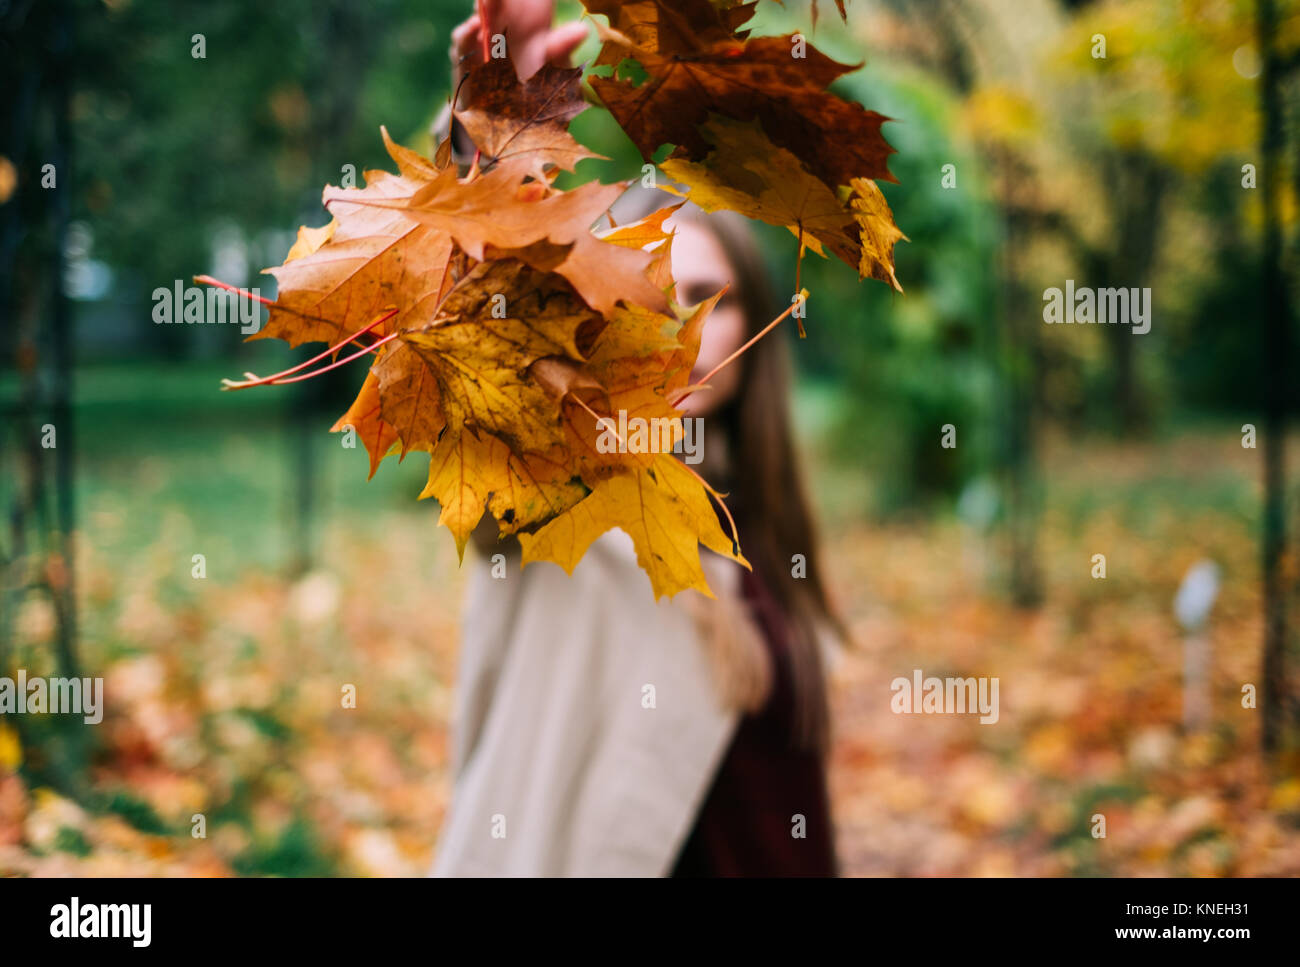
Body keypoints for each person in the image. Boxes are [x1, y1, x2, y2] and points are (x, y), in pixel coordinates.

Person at [429, 0, 846, 877]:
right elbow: (474, 337)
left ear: (754, 325)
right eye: (649, 300)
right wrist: (489, 144)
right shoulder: (555, 483)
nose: (681, 331)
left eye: (710, 298)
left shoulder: (755, 517)